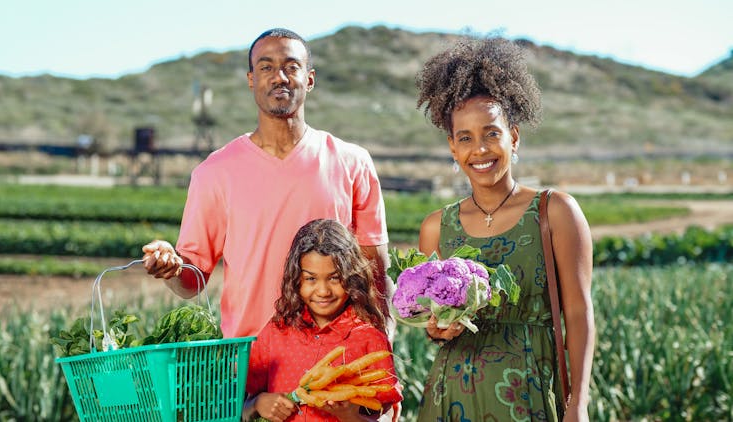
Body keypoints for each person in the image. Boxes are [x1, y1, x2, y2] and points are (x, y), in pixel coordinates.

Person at [141, 28, 393, 339]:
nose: (279, 77)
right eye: (266, 67)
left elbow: (376, 274)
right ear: (251, 80)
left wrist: (384, 344)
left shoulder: (352, 162)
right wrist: (174, 268)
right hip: (249, 360)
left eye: (291, 67)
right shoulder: (214, 172)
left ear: (309, 79)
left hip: (333, 359)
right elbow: (192, 282)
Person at [413, 36, 595, 421]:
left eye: (491, 133)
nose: (479, 149)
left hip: (531, 394)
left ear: (513, 137)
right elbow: (433, 323)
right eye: (466, 138)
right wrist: (436, 328)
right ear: (452, 147)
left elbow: (579, 314)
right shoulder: (436, 228)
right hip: (451, 397)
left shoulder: (554, 211)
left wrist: (578, 404)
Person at [243, 219, 402, 422]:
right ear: (296, 279)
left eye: (334, 278)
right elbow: (242, 403)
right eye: (311, 278)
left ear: (351, 278)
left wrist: (350, 416)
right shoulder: (276, 331)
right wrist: (257, 404)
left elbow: (388, 415)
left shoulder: (369, 339)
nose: (323, 291)